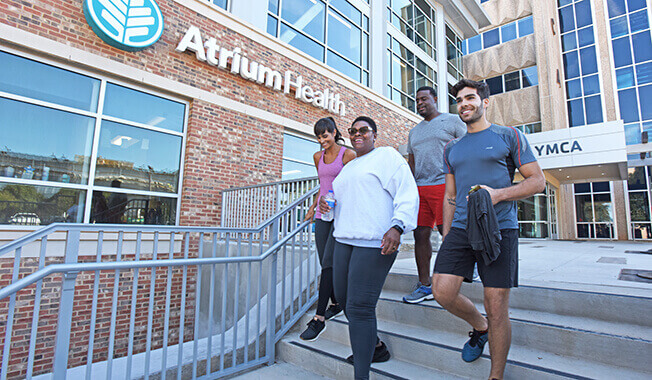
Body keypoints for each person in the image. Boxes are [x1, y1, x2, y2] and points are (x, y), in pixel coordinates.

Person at [432, 79, 545, 380]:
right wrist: (445, 235)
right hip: (460, 229)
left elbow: (537, 181)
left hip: (499, 228)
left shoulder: (509, 136)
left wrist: (497, 194)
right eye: (460, 100)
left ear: (485, 102)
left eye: (470, 98)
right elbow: (451, 195)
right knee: (442, 292)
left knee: (496, 308)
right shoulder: (451, 148)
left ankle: (495, 376)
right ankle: (480, 328)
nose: (465, 103)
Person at [320, 116, 418, 380]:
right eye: (353, 131)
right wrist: (327, 208)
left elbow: (407, 192)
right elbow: (340, 203)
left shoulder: (387, 156)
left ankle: (361, 374)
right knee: (344, 301)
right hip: (343, 239)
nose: (357, 134)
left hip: (375, 242)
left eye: (364, 130)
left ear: (375, 134)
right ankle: (373, 347)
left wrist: (398, 226)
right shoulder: (349, 167)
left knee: (361, 307)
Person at [403, 86, 466, 304]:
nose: (419, 103)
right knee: (420, 235)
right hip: (420, 188)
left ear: (435, 99)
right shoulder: (414, 131)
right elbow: (412, 162)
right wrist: (408, 188)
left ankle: (452, 277)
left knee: (447, 233)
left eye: (423, 99)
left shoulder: (452, 121)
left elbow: (467, 148)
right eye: (416, 100)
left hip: (444, 183)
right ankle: (424, 284)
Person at [300, 117, 355, 341]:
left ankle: (319, 317)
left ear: (334, 133)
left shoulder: (348, 155)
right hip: (323, 216)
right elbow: (323, 186)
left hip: (341, 215)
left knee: (330, 264)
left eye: (325, 135)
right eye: (319, 136)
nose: (322, 140)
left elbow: (353, 185)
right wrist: (312, 207)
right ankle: (337, 303)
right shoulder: (317, 157)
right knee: (326, 262)